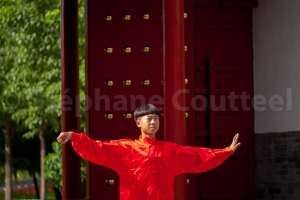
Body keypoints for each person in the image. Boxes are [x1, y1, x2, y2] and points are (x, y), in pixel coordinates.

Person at [57, 104, 241, 200]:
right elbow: (98, 148)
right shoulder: (126, 149)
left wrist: (226, 151)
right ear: (138, 123)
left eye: (155, 119)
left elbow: (197, 156)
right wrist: (74, 136)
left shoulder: (170, 150)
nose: (153, 122)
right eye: (148, 119)